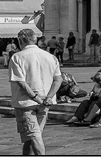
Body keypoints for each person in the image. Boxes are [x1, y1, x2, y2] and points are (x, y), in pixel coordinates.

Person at [9, 27, 63, 155]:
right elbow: (58, 79)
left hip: (26, 103)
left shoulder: (17, 57)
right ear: (35, 39)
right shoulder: (50, 57)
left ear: (20, 41)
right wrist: (49, 97)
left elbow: (21, 82)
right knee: (30, 138)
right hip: (45, 103)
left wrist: (36, 98)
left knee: (34, 136)